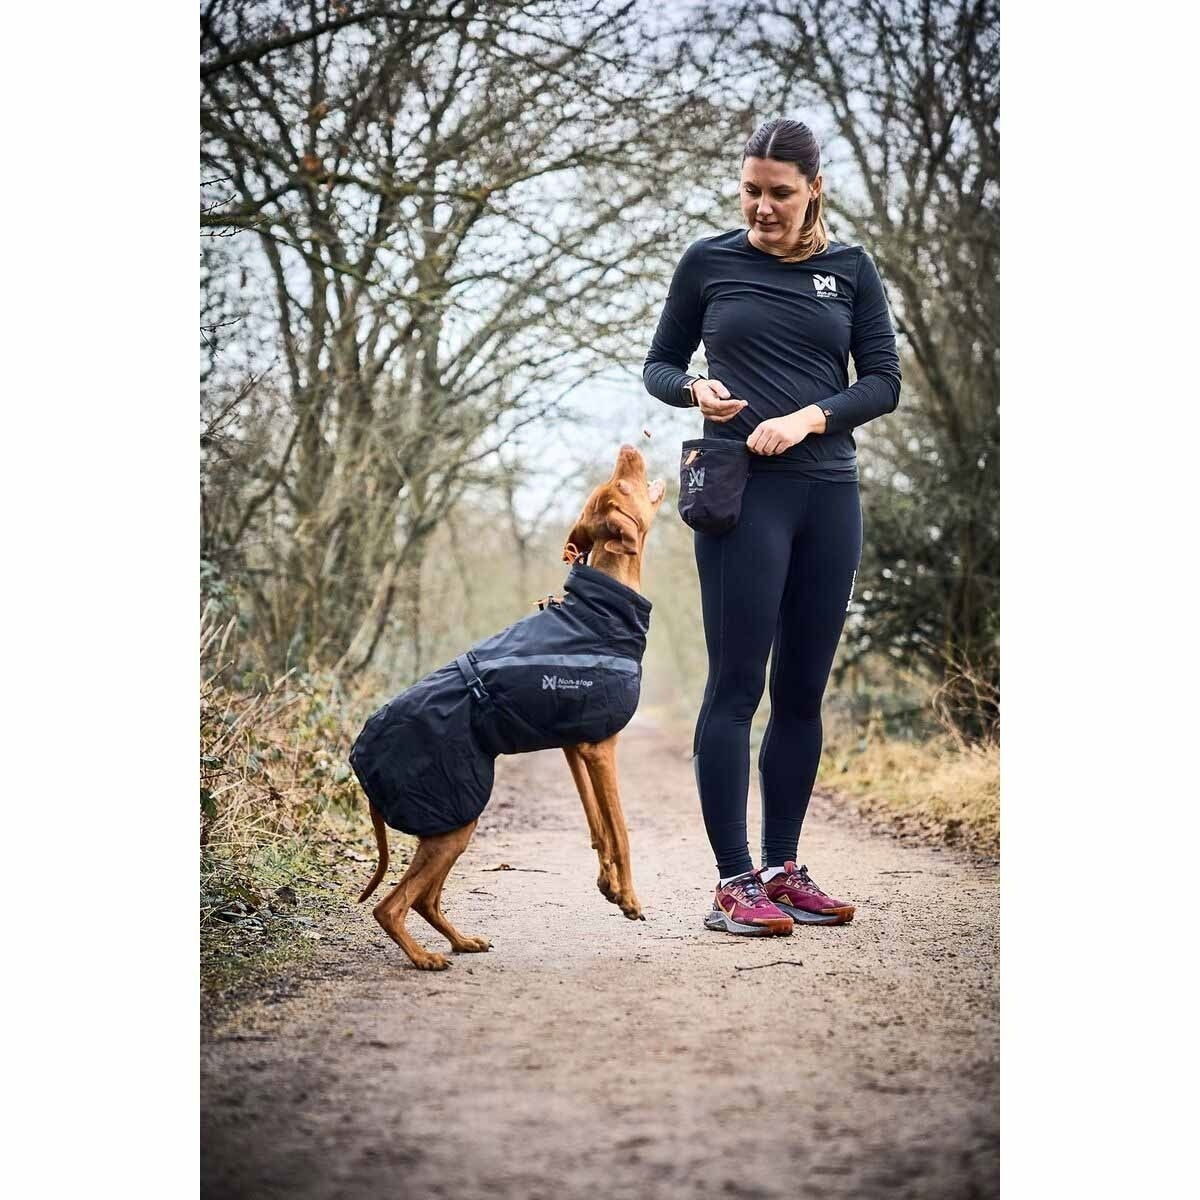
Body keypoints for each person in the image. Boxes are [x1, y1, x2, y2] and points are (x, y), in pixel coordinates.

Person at [642, 117, 901, 936]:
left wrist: (811, 418)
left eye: (779, 194)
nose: (762, 207)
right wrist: (694, 393)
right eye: (751, 190)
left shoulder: (850, 270)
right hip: (739, 493)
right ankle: (733, 883)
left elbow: (883, 382)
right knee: (734, 688)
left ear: (813, 188)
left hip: (828, 495)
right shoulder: (709, 262)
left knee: (800, 693)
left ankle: (784, 869)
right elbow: (658, 365)